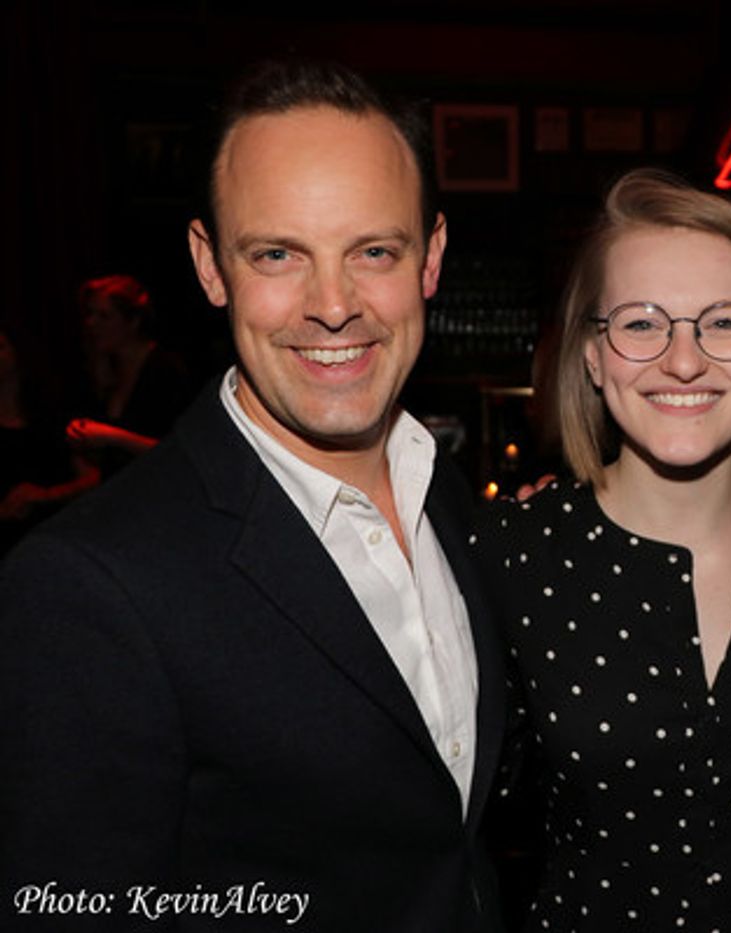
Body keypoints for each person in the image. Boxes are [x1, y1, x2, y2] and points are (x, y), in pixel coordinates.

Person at [0, 60, 506, 930]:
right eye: (278, 254)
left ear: (432, 258)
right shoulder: (87, 584)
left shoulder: (448, 496)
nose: (334, 306)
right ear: (209, 266)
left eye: (373, 251)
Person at [470, 169, 731, 931]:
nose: (684, 360)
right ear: (592, 355)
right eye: (643, 323)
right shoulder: (512, 555)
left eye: (724, 322)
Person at [68, 274, 193, 472]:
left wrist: (111, 436)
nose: (92, 323)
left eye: (104, 316)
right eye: (90, 314)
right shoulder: (102, 369)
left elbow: (180, 453)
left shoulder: (165, 371)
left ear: (133, 321)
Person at [0, 326, 100, 555]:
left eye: (1, 347)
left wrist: (46, 496)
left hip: (53, 545)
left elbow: (93, 478)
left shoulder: (51, 416)